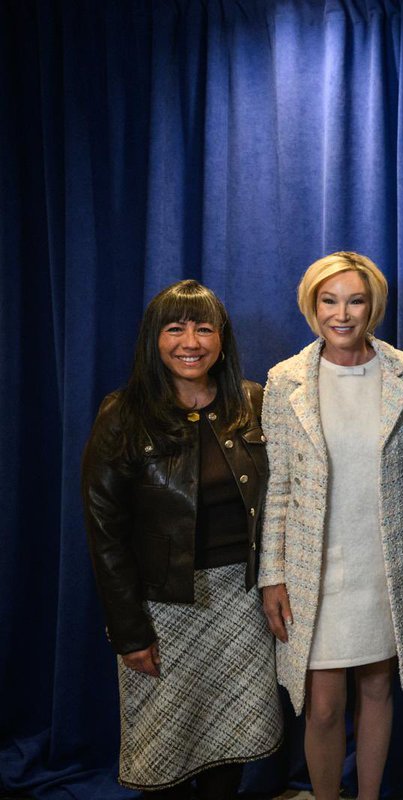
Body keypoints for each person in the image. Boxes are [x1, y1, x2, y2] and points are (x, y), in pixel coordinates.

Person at [81, 280, 282, 798]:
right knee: (163, 753)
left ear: (221, 338)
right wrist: (129, 631)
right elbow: (105, 533)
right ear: (155, 338)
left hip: (242, 606)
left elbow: (286, 502)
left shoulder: (254, 404)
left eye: (203, 327)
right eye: (175, 328)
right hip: (162, 607)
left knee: (231, 744)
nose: (189, 341)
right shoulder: (122, 414)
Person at [258, 252, 403, 800]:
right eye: (329, 300)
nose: (342, 314)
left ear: (374, 307)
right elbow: (278, 489)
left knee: (380, 685)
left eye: (355, 300)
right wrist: (272, 574)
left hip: (385, 559)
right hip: (313, 569)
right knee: (321, 704)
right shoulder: (284, 380)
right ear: (312, 305)